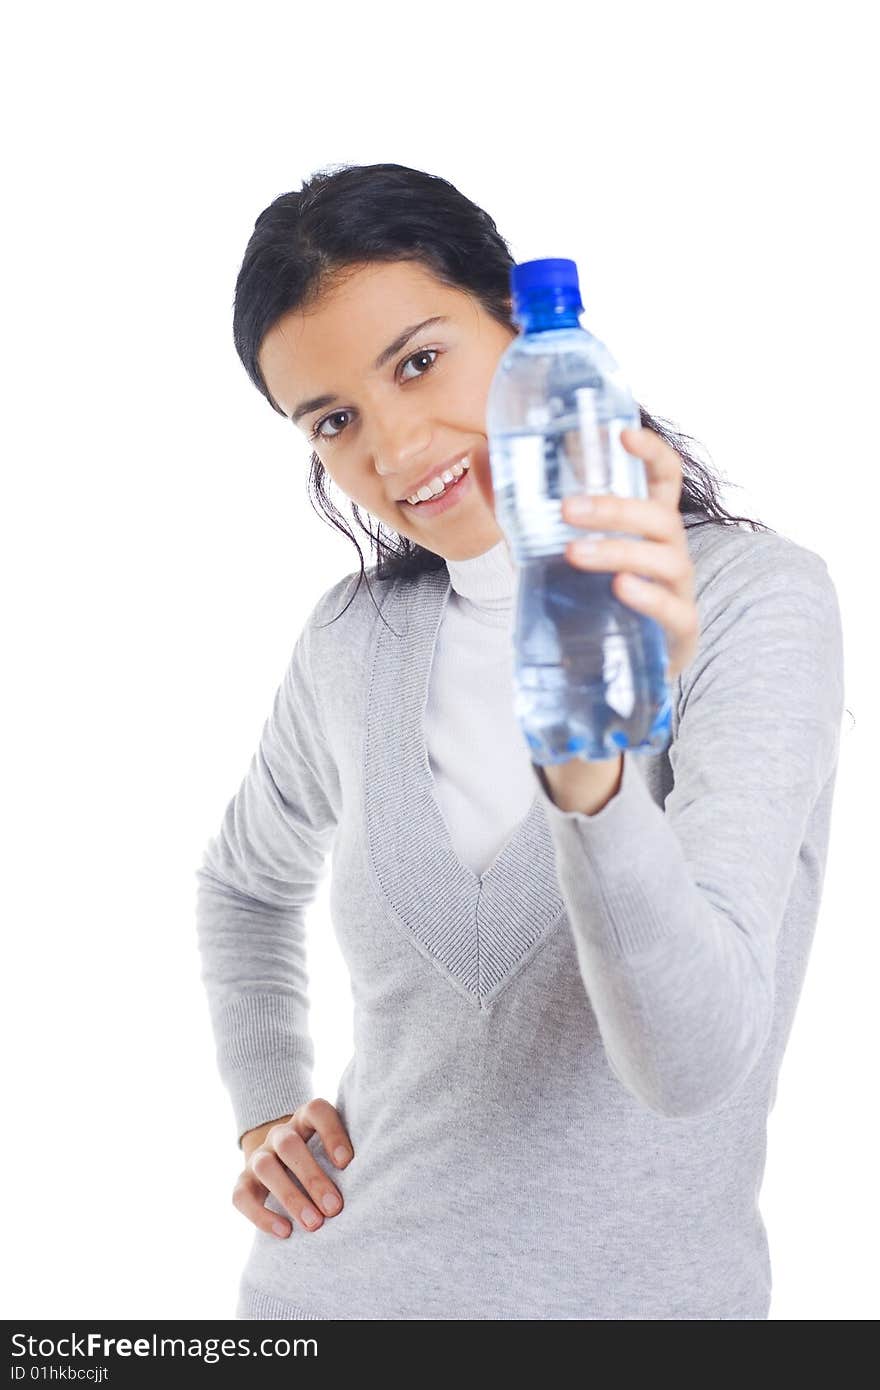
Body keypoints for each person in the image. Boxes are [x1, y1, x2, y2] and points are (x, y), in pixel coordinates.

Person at [194, 162, 845, 1320]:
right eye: (333, 420)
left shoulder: (753, 604)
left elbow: (688, 1065)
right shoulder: (353, 642)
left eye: (418, 359)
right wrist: (265, 1101)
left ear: (523, 326)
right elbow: (244, 883)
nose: (393, 449)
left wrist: (587, 761)